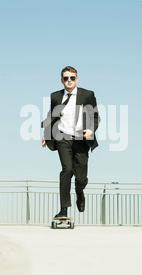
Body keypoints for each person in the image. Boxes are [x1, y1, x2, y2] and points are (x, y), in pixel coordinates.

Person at [41, 66, 100, 218]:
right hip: (63, 137)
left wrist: (91, 130)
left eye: (72, 78)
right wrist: (46, 134)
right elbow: (52, 117)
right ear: (62, 80)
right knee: (66, 170)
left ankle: (80, 192)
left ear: (76, 79)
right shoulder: (55, 96)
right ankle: (64, 209)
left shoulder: (87, 95)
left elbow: (95, 116)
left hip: (81, 138)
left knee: (80, 178)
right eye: (66, 78)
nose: (69, 81)